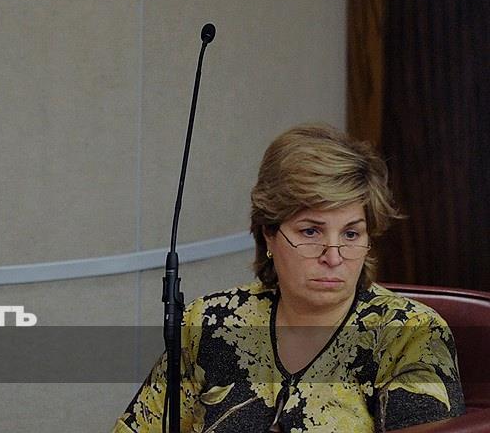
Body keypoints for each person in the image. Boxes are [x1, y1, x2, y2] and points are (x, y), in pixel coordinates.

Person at [113, 124, 464, 432]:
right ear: (269, 233)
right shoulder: (209, 322)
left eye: (351, 234)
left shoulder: (408, 334)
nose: (333, 256)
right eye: (311, 231)